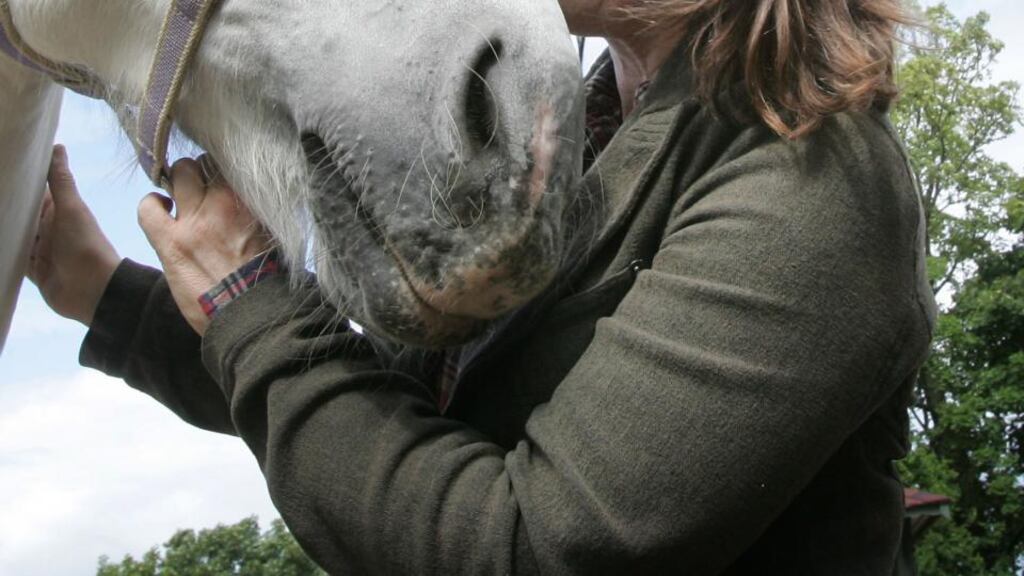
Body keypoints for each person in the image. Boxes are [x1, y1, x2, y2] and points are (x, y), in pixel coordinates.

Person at [29, 0, 936, 573]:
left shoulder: (817, 174)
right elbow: (379, 421)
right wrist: (108, 295)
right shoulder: (584, 136)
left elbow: (532, 546)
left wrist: (250, 306)